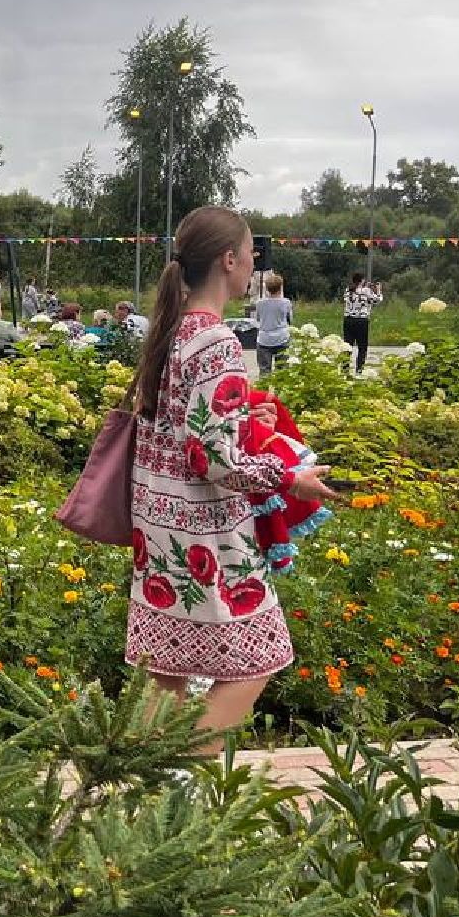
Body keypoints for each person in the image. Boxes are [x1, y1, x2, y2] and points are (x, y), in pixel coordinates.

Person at [125, 206, 336, 756]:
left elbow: (179, 430)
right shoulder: (217, 341)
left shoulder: (171, 331)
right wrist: (289, 479)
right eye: (250, 255)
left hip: (158, 526)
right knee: (262, 656)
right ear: (228, 260)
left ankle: (134, 780)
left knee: (167, 671)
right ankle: (179, 771)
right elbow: (210, 459)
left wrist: (242, 419)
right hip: (207, 532)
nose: (253, 266)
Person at [341, 273, 383, 372]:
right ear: (362, 280)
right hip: (361, 320)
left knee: (348, 345)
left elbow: (354, 295)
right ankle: (359, 369)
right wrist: (378, 290)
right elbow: (377, 300)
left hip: (348, 320)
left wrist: (365, 287)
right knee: (362, 346)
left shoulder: (348, 290)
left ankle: (345, 368)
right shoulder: (366, 291)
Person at [253, 272, 293, 375]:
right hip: (281, 338)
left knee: (264, 371)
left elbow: (258, 319)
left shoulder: (260, 303)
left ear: (266, 288)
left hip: (264, 339)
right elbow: (290, 319)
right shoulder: (286, 302)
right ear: (280, 288)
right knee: (282, 372)